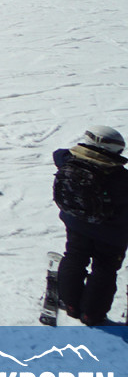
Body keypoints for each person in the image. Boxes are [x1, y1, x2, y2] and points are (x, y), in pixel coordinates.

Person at [53, 126, 128, 326]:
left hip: (76, 223)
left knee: (74, 258)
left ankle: (70, 304)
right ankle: (91, 315)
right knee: (104, 269)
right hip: (111, 234)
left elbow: (58, 153)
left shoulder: (67, 160)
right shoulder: (120, 178)